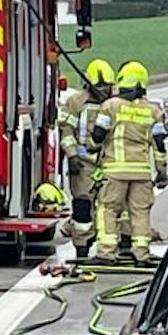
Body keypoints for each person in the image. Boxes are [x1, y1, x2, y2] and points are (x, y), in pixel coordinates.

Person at [89, 61, 168, 264]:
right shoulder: (153, 111)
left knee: (108, 209)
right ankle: (141, 252)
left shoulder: (110, 106)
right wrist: (161, 172)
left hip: (115, 170)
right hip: (141, 172)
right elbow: (159, 145)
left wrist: (93, 145)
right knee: (140, 211)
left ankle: (106, 252)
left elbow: (98, 135)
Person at [56, 58, 115, 253]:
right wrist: (72, 156)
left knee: (111, 207)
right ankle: (81, 247)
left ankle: (111, 248)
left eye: (107, 86)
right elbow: (66, 131)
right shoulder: (75, 102)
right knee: (82, 207)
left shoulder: (116, 103)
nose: (104, 90)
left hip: (109, 163)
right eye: (100, 86)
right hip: (83, 166)